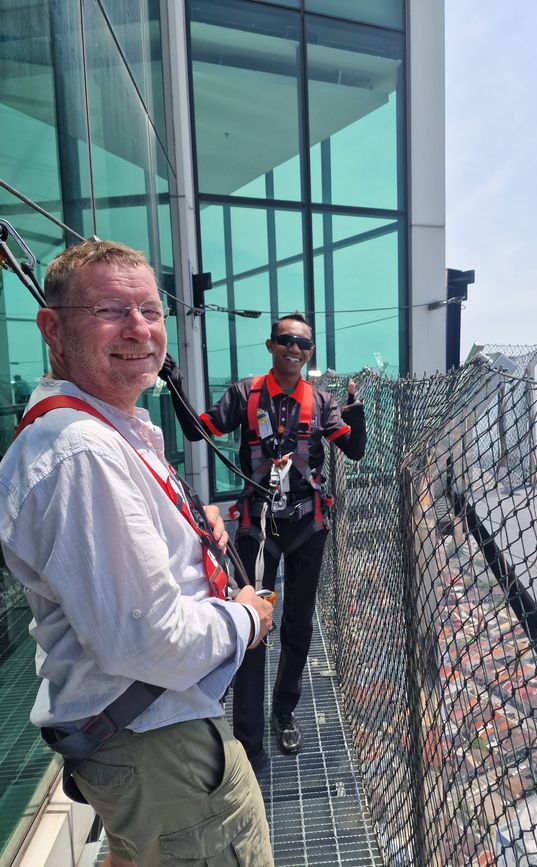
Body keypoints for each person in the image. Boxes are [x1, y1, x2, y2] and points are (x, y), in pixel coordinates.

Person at [0, 240, 275, 867]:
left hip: (132, 743)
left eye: (150, 311)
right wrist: (248, 619)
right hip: (160, 744)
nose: (138, 330)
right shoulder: (84, 454)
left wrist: (187, 535)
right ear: (53, 327)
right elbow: (145, 640)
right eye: (108, 309)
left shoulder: (104, 429)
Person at [160, 312, 366, 770]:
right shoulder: (245, 394)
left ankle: (284, 713)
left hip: (307, 527)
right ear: (271, 345)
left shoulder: (323, 401)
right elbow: (200, 430)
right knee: (251, 625)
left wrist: (356, 414)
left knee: (298, 625)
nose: (295, 349)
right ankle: (249, 741)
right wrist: (173, 383)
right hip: (257, 525)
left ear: (310, 352)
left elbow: (352, 448)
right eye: (286, 340)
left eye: (303, 344)